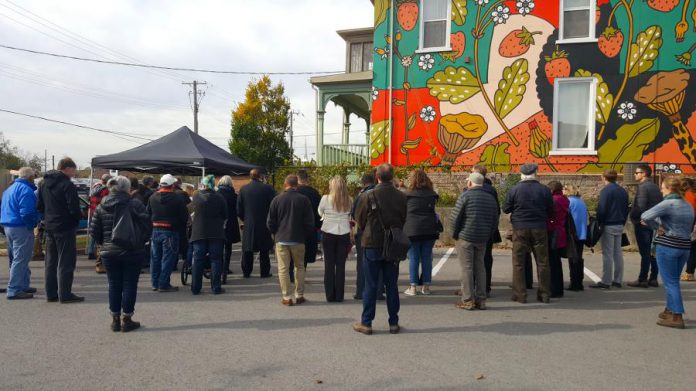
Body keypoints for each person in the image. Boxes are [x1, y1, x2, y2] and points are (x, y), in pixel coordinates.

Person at [90, 176, 150, 332]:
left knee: (114, 284)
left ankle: (115, 319)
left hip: (109, 252)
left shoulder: (102, 206)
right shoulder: (135, 204)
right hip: (132, 250)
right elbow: (146, 227)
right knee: (130, 284)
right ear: (127, 188)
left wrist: (104, 244)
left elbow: (94, 231)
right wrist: (140, 242)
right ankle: (127, 319)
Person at [353, 163, 407, 335]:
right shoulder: (401, 196)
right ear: (392, 176)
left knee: (370, 284)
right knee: (392, 284)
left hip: (372, 243)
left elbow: (360, 220)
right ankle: (393, 322)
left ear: (377, 176)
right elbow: (403, 218)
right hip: (393, 243)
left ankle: (367, 322)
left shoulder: (368, 196)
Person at [641, 177, 694, 329]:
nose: (661, 190)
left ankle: (677, 316)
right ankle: (669, 310)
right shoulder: (687, 204)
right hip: (684, 246)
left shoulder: (668, 203)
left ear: (669, 188)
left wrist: (656, 227)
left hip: (668, 244)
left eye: (662, 187)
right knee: (674, 280)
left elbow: (644, 216)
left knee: (670, 282)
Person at [503, 163, 553, 304]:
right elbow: (551, 210)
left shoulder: (514, 190)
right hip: (539, 227)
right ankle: (544, 294)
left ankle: (520, 294)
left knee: (518, 262)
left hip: (520, 227)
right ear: (536, 173)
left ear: (521, 174)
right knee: (543, 262)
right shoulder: (544, 190)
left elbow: (506, 208)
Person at [38, 157, 84, 303]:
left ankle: (51, 293)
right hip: (65, 226)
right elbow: (74, 208)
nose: (74, 173)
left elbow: (40, 205)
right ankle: (65, 294)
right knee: (66, 261)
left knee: (50, 261)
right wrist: (77, 219)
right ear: (67, 168)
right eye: (74, 170)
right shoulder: (67, 185)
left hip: (50, 225)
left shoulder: (43, 183)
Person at [450, 172, 499, 310]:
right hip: (482, 238)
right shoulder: (490, 198)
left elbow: (455, 217)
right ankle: (481, 299)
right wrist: (488, 234)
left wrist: (455, 234)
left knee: (467, 268)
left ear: (470, 183)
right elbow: (495, 220)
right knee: (480, 268)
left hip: (465, 236)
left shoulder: (465, 196)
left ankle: (467, 300)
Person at [267, 174, 314, 305]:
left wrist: (275, 233)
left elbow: (270, 221)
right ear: (297, 184)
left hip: (281, 238)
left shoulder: (276, 200)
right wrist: (305, 234)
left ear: (285, 184)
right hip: (299, 238)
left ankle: (287, 296)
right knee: (299, 267)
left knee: (283, 269)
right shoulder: (304, 200)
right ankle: (299, 294)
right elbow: (310, 222)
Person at [1, 167, 39, 299]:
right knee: (21, 258)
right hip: (21, 227)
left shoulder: (9, 189)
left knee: (19, 257)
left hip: (8, 225)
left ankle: (22, 284)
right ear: (30, 177)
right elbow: (27, 212)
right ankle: (14, 289)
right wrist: (32, 224)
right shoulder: (26, 190)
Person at [147, 174, 188, 292]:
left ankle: (155, 283)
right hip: (170, 231)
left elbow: (148, 213)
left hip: (155, 230)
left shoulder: (152, 197)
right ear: (172, 185)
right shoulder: (177, 198)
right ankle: (163, 284)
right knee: (167, 259)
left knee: (155, 258)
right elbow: (184, 217)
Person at [590, 170, 630, 289]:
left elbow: (602, 209)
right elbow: (626, 208)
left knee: (607, 253)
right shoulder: (622, 190)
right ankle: (617, 280)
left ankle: (606, 281)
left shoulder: (606, 191)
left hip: (608, 223)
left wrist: (599, 221)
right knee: (618, 253)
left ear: (604, 178)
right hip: (619, 223)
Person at [403, 169, 439, 296]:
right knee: (426, 258)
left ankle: (413, 288)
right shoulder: (432, 194)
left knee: (413, 258)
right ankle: (426, 287)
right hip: (429, 228)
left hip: (412, 229)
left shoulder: (407, 195)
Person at [190, 175, 228, 295]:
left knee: (198, 260)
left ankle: (195, 288)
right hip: (216, 232)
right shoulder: (220, 197)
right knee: (216, 260)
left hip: (198, 232)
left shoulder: (196, 196)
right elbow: (225, 214)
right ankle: (216, 287)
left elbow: (191, 212)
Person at [628, 164, 663, 288]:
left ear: (643, 174)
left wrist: (637, 217)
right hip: (655, 222)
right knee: (653, 252)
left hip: (643, 223)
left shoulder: (643, 187)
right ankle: (653, 278)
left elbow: (641, 206)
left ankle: (642, 279)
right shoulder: (655, 187)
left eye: (637, 172)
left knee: (645, 252)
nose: (635, 174)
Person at [318, 175, 352, 302]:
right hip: (344, 232)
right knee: (341, 265)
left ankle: (330, 295)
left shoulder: (325, 198)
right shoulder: (349, 199)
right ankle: (339, 296)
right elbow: (350, 214)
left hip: (328, 231)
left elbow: (320, 212)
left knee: (329, 264)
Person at [238, 169, 276, 278]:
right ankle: (264, 272)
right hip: (264, 222)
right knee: (264, 250)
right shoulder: (268, 189)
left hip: (249, 223)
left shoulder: (244, 189)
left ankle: (246, 271)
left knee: (248, 249)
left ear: (250, 177)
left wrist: (245, 219)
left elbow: (239, 208)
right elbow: (273, 207)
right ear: (260, 176)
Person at [472, 164, 500, 297]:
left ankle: (471, 287)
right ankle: (486, 287)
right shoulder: (492, 190)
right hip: (488, 229)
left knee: (471, 260)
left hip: (472, 230)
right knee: (486, 258)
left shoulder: (469, 188)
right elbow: (497, 211)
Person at [351, 172, 379, 300]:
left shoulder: (361, 196)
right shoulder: (381, 193)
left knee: (362, 262)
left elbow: (355, 215)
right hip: (381, 232)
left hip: (365, 233)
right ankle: (379, 292)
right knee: (380, 262)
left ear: (363, 183)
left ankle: (361, 291)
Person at [294, 169, 322, 281]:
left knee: (292, 253)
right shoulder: (315, 193)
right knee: (304, 255)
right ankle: (301, 275)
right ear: (307, 179)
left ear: (297, 179)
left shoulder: (292, 192)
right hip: (309, 228)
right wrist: (317, 225)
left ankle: (292, 275)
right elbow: (319, 212)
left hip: (293, 228)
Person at [547, 181, 569, 298]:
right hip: (561, 232)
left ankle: (554, 289)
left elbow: (549, 215)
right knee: (557, 262)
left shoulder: (554, 200)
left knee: (552, 262)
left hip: (553, 232)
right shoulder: (564, 199)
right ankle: (558, 288)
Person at [564, 184, 588, 291]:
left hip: (573, 233)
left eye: (564, 189)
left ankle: (574, 283)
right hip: (582, 233)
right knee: (579, 258)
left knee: (573, 259)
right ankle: (579, 282)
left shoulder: (569, 202)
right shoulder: (581, 201)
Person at [217, 176, 241, 275]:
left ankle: (218, 266)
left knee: (218, 246)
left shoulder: (217, 194)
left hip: (218, 223)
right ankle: (226, 268)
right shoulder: (234, 196)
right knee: (228, 247)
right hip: (231, 223)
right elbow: (238, 210)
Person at [87, 174, 110, 267]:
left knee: (93, 232)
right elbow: (106, 202)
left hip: (92, 212)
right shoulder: (106, 190)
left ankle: (90, 251)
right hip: (101, 213)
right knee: (101, 234)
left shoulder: (94, 188)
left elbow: (90, 200)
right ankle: (99, 254)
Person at [173, 180, 192, 272]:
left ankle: (174, 264)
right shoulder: (183, 194)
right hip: (181, 223)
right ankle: (187, 263)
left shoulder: (171, 194)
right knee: (184, 243)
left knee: (173, 246)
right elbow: (189, 206)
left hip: (171, 223)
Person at [681, 178, 696, 282]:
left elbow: (691, 213)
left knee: (693, 250)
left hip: (693, 225)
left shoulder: (689, 195)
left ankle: (689, 273)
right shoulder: (692, 194)